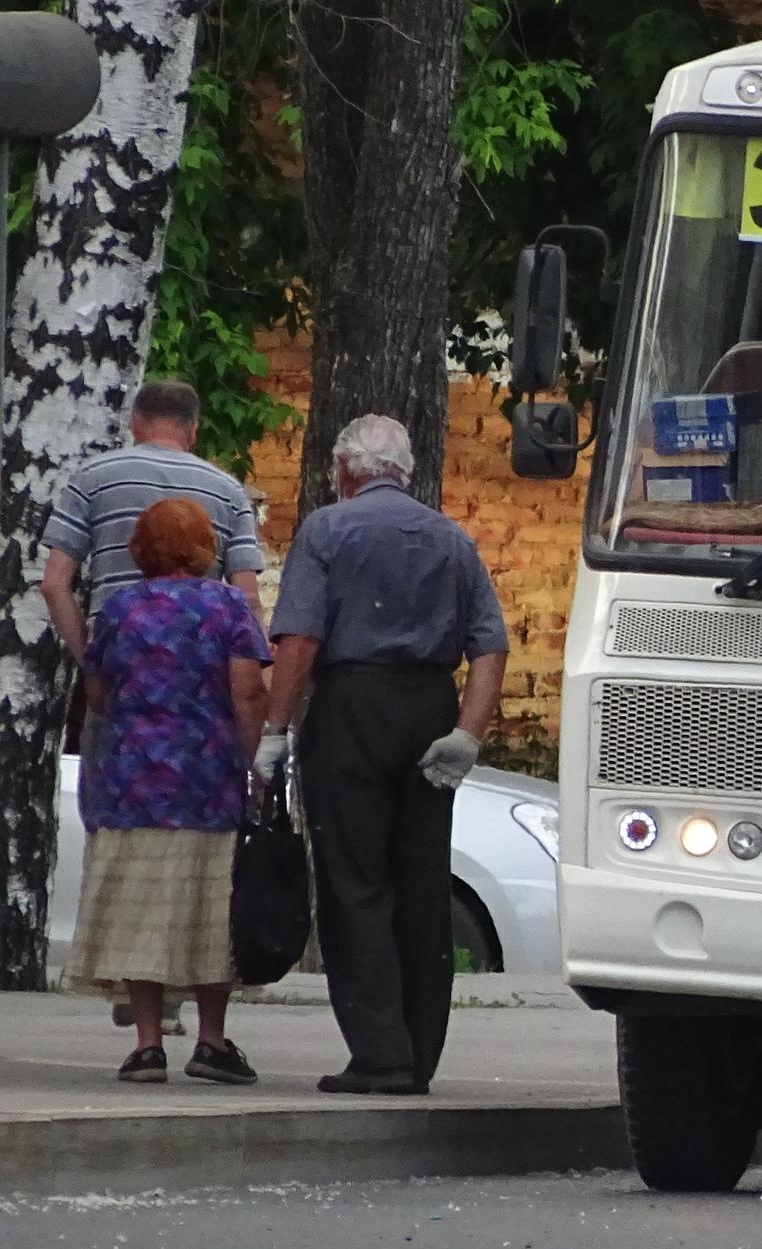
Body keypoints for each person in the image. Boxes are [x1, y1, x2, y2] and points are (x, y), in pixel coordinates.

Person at [260, 416, 509, 1096]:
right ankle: (419, 1051)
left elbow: (301, 642)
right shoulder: (451, 539)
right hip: (430, 706)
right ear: (404, 470)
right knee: (423, 885)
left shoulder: (328, 531)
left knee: (354, 880)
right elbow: (491, 645)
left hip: (353, 708)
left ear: (346, 471)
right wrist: (467, 732)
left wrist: (274, 730)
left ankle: (380, 1052)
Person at [40, 378, 266, 1037]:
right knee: (205, 861)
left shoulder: (91, 479)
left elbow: (55, 581)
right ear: (193, 429)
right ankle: (204, 1025)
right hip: (206, 703)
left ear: (135, 421)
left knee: (125, 838)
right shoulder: (225, 492)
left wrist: (90, 662)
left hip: (124, 685)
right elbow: (248, 597)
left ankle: (138, 991)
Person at [60, 498, 271, 1085]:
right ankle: (211, 1041)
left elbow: (98, 695)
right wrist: (254, 762)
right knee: (208, 911)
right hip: (207, 782)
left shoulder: (120, 609)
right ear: (206, 546)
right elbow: (248, 693)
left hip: (132, 783)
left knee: (141, 912)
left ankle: (148, 1046)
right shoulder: (228, 605)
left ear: (140, 549)